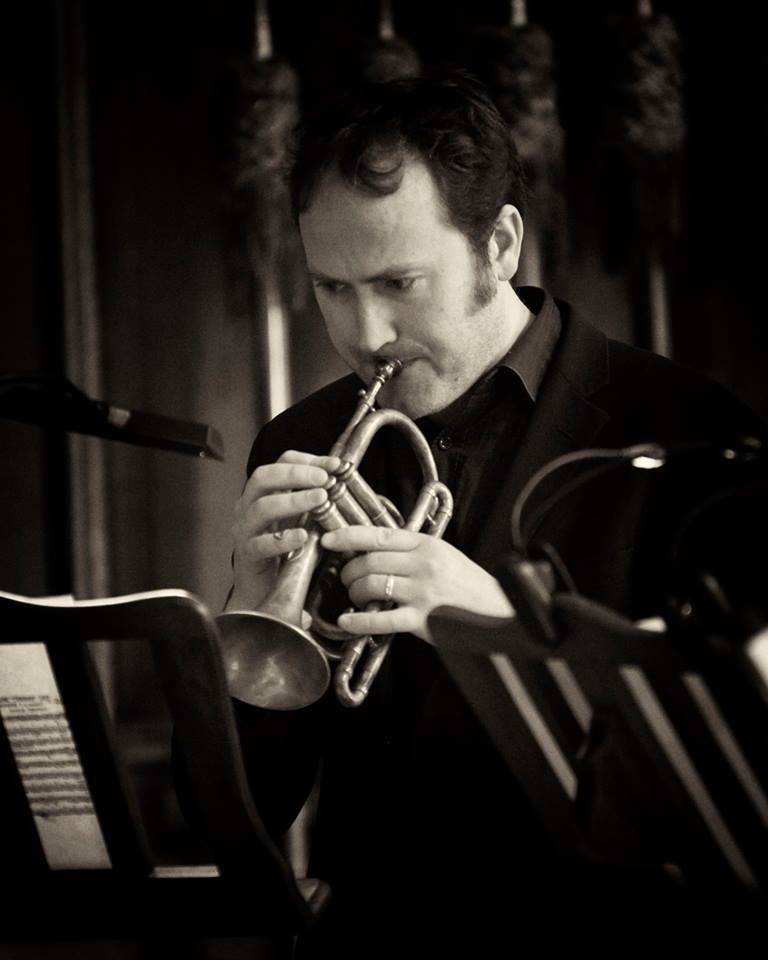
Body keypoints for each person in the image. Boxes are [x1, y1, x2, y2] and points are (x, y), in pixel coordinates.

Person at [182, 74, 764, 956]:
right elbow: (237, 816)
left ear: (498, 244)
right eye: (331, 288)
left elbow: (735, 791)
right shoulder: (299, 441)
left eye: (398, 282)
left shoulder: (690, 432)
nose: (366, 331)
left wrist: (506, 632)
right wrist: (250, 616)